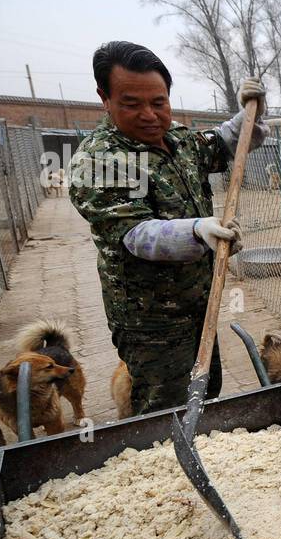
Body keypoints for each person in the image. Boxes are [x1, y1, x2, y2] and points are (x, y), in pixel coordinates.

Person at [70, 40, 268, 415]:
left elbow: (225, 143)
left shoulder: (176, 138)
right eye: (132, 104)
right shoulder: (99, 161)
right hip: (152, 321)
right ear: (104, 98)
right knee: (169, 410)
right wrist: (196, 232)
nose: (149, 114)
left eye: (159, 102)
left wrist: (250, 114)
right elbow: (136, 234)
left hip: (199, 305)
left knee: (207, 394)